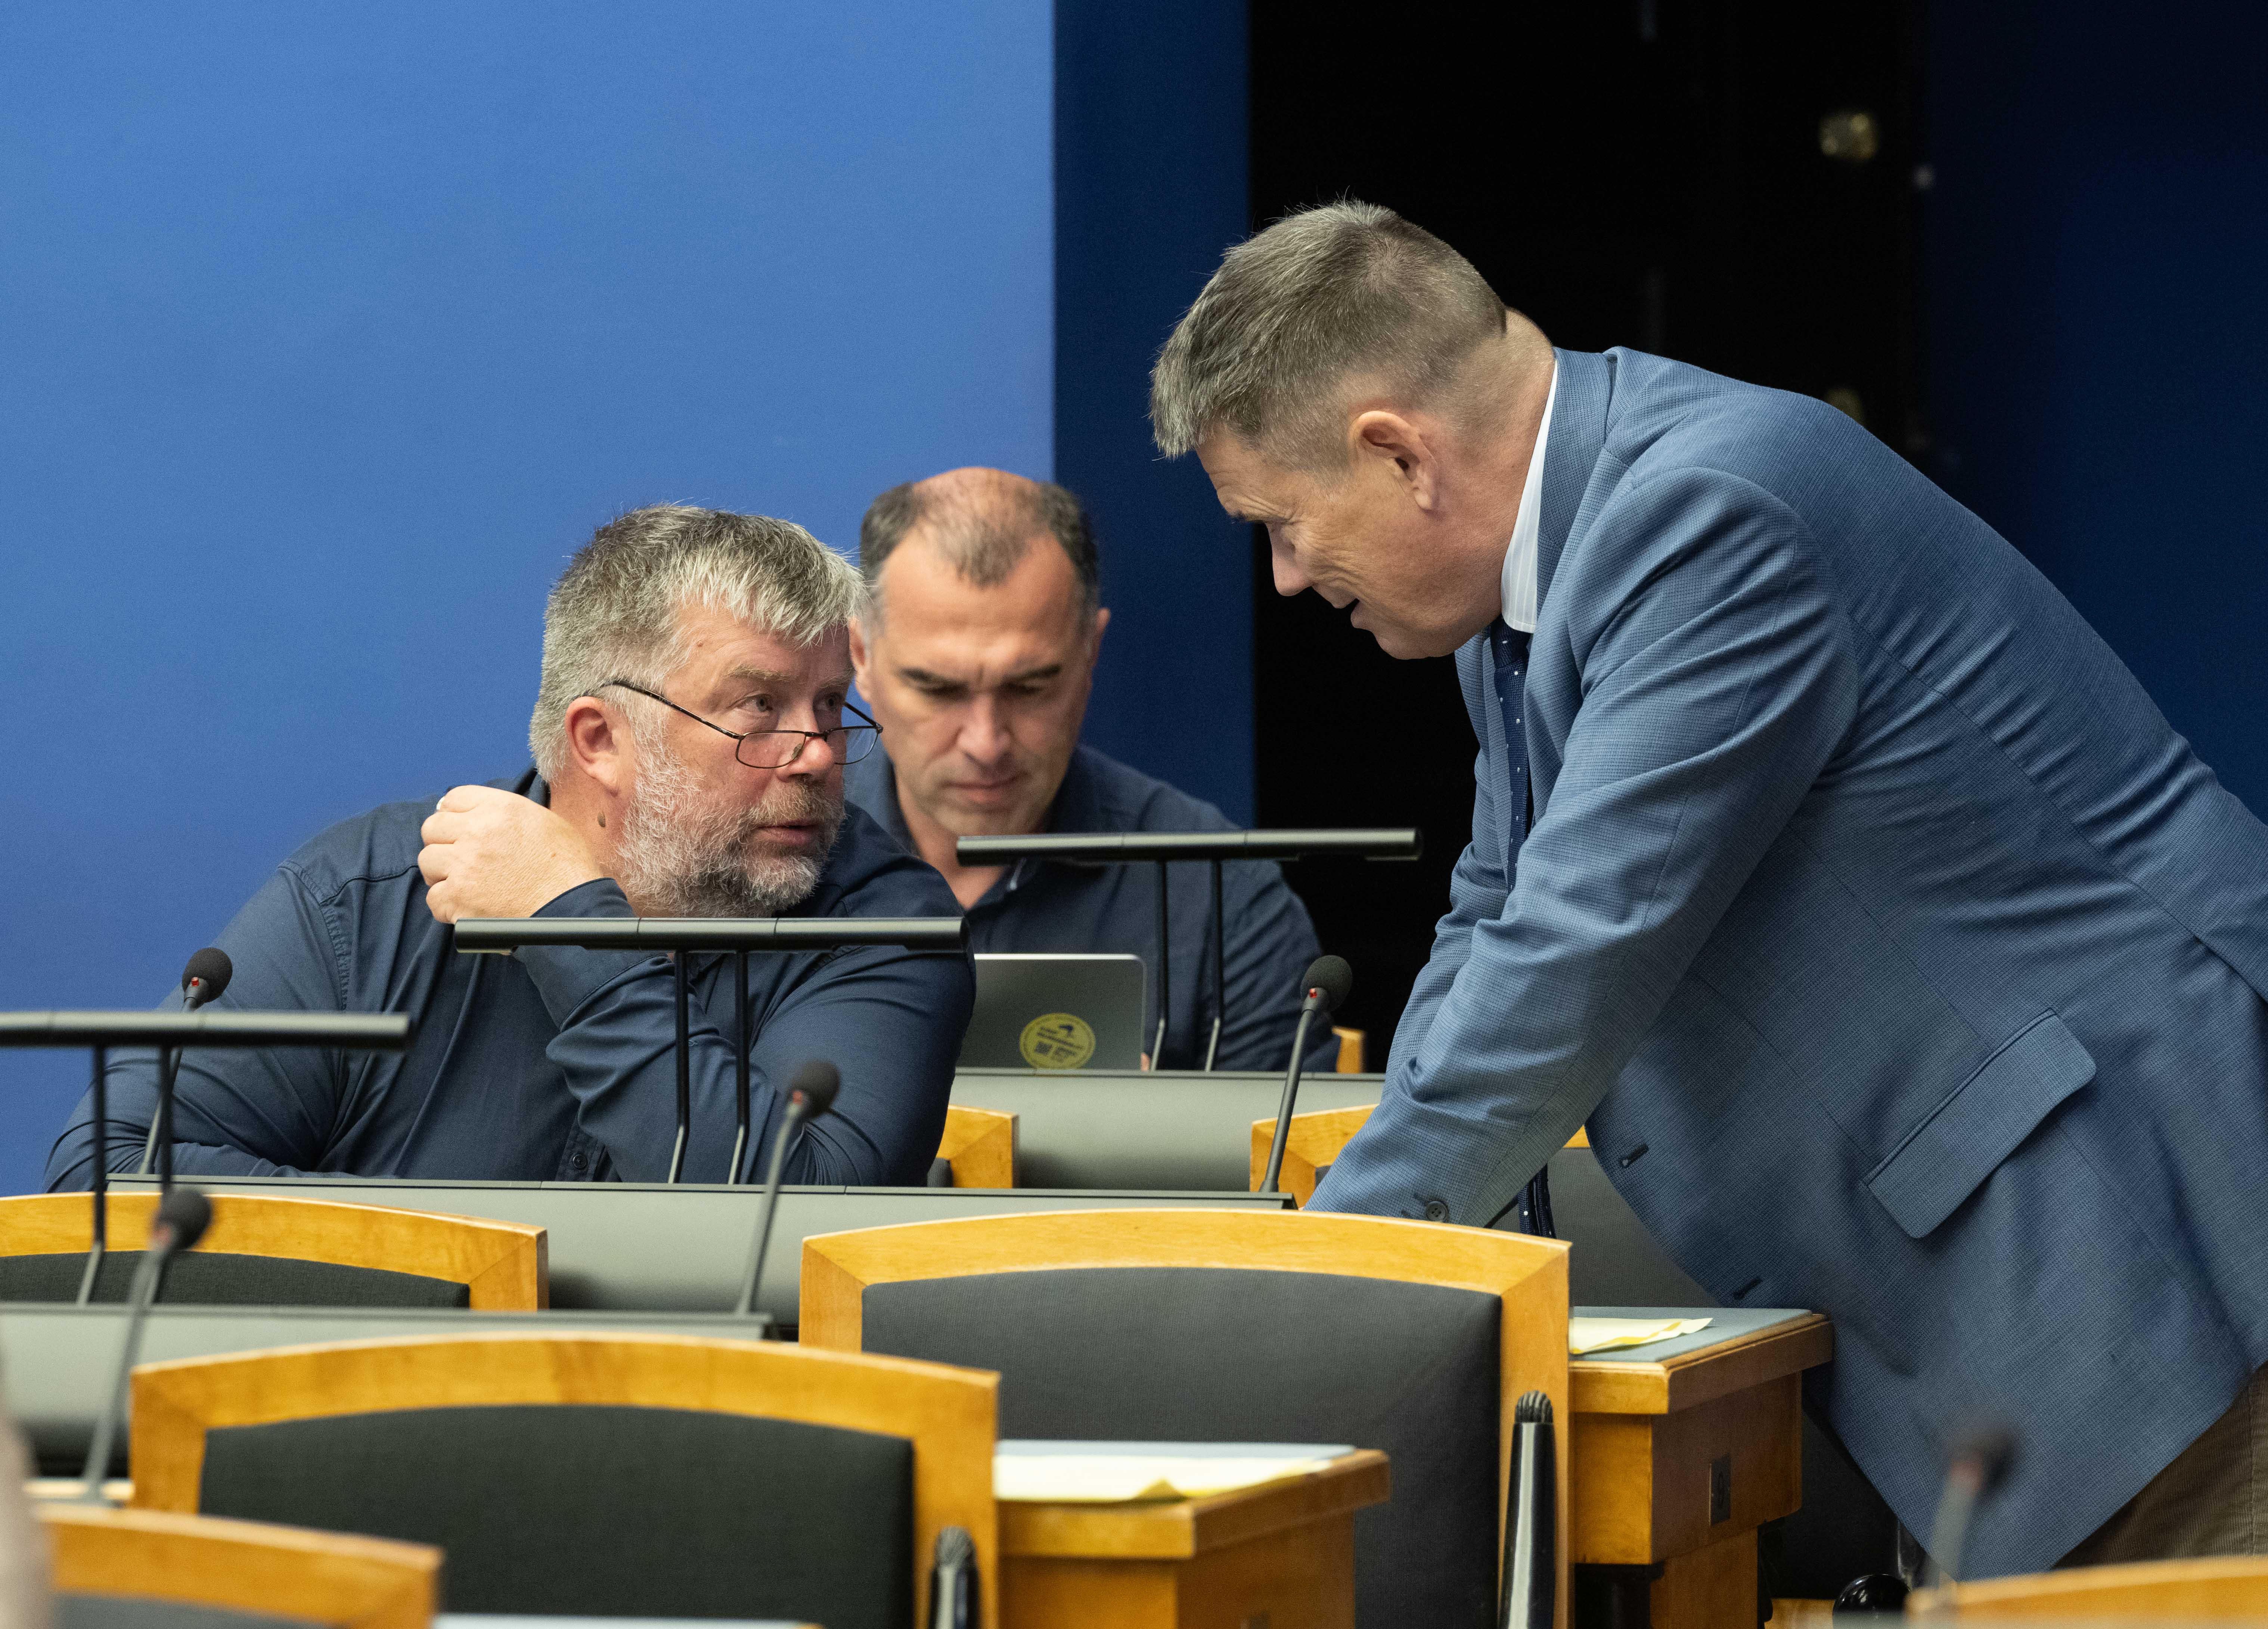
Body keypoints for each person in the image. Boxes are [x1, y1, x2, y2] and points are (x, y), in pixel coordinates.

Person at [1151, 202, 2268, 1577]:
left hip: (2157, 1245)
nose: (1281, 577)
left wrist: (1315, 1296)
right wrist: (1368, 1225)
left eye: (1279, 522)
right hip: (2039, 1296)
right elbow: (1495, 911)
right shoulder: (1534, 589)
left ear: (1399, 452)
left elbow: (1576, 948)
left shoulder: (1707, 509)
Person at [45, 506, 971, 1186]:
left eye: (828, 705)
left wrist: (571, 930)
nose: (818, 753)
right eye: (759, 707)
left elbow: (798, 1218)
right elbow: (108, 1174)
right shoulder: (370, 898)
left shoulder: (886, 923)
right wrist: (458, 1264)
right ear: (599, 740)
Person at [847, 467, 1331, 1071]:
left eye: (1029, 687)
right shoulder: (777, 857)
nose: (986, 743)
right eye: (938, 689)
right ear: (861, 657)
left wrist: (1162, 1126)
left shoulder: (1218, 894)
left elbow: (1288, 1133)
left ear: (1090, 652)